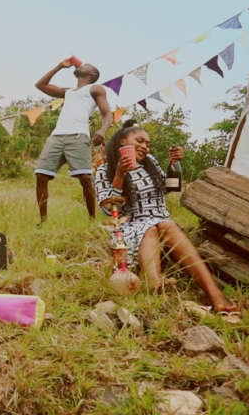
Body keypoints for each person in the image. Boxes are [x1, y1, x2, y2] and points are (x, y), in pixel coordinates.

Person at [95, 121, 240, 319]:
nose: (145, 147)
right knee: (151, 228)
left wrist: (174, 164)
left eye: (147, 144)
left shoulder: (149, 163)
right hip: (131, 224)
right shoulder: (105, 170)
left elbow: (170, 188)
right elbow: (108, 210)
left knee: (166, 225)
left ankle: (214, 292)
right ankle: (155, 282)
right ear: (123, 142)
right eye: (139, 141)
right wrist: (119, 175)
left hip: (161, 219)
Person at [34, 58, 112, 226]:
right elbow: (40, 85)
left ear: (92, 73)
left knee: (85, 177)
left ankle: (92, 220)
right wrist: (59, 66)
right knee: (41, 175)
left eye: (86, 65)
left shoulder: (95, 88)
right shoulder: (67, 92)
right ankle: (43, 222)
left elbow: (107, 113)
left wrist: (103, 129)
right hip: (57, 136)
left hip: (78, 135)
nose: (81, 64)